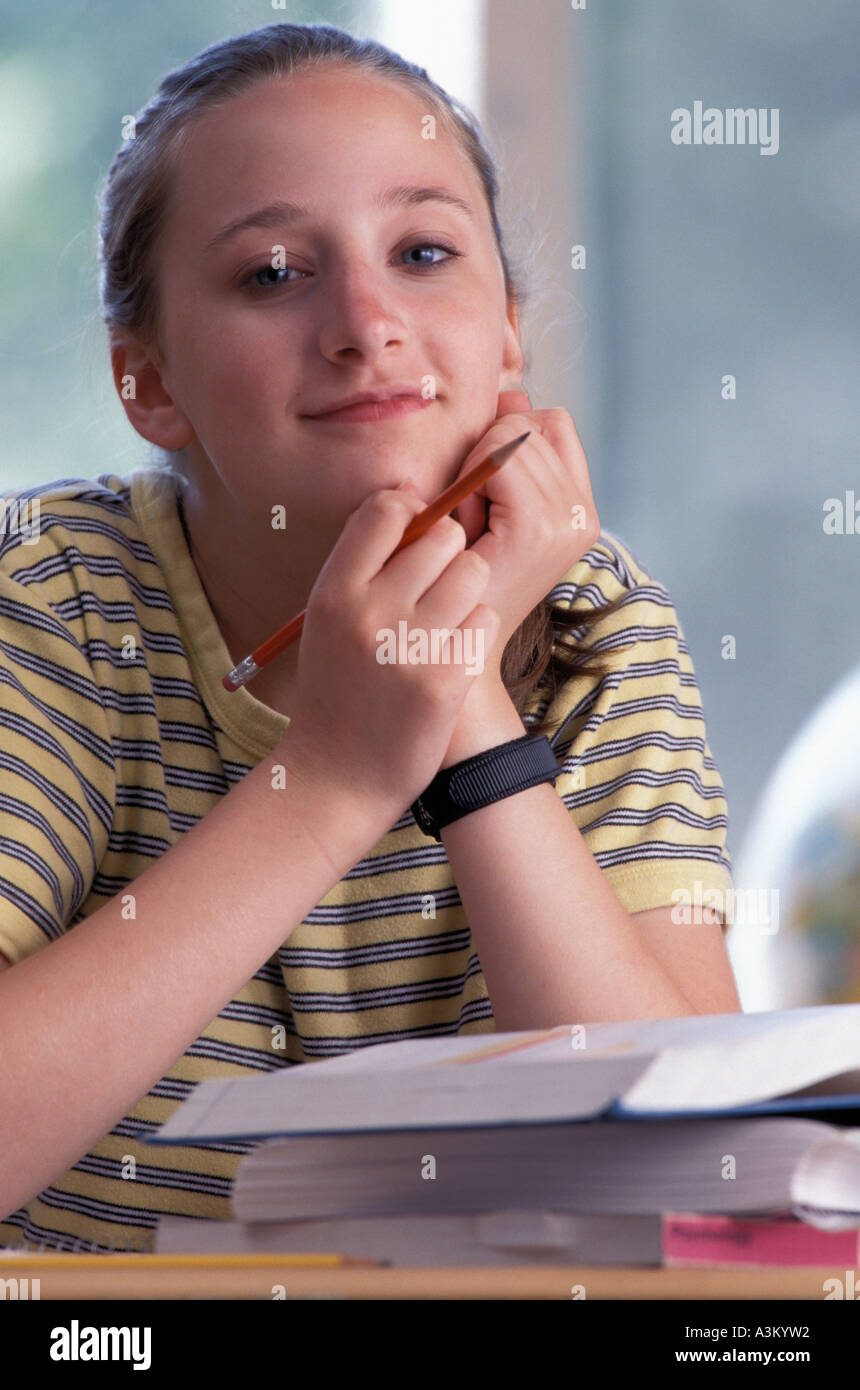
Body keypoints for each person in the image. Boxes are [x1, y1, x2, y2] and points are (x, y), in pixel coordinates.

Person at [0, 22, 739, 1253]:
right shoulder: (52, 596)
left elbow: (690, 1198)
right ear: (150, 383)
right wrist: (332, 776)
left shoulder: (596, 627)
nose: (364, 320)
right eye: (275, 273)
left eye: (423, 252)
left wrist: (464, 704)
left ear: (505, 331)